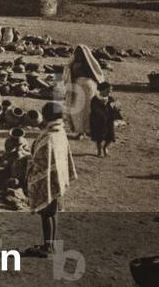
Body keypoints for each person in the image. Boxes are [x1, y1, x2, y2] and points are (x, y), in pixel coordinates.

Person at [24, 102, 76, 257]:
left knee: (46, 213)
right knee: (52, 212)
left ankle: (47, 248)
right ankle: (50, 245)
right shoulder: (59, 131)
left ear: (46, 117)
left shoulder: (49, 137)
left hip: (47, 180)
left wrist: (29, 171)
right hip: (57, 178)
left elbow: (40, 161)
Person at [62, 45, 104, 138]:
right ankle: (84, 131)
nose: (78, 54)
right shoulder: (87, 63)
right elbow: (97, 75)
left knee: (81, 110)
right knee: (83, 110)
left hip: (83, 87)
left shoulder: (77, 63)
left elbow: (69, 74)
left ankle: (83, 131)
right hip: (85, 86)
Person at [89, 81, 120, 157]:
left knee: (110, 137)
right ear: (101, 90)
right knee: (99, 137)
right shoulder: (95, 99)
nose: (109, 93)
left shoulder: (110, 99)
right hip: (98, 121)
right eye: (107, 91)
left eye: (110, 91)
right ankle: (99, 149)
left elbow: (114, 109)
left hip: (108, 121)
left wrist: (116, 109)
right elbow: (95, 110)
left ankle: (105, 147)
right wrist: (103, 114)